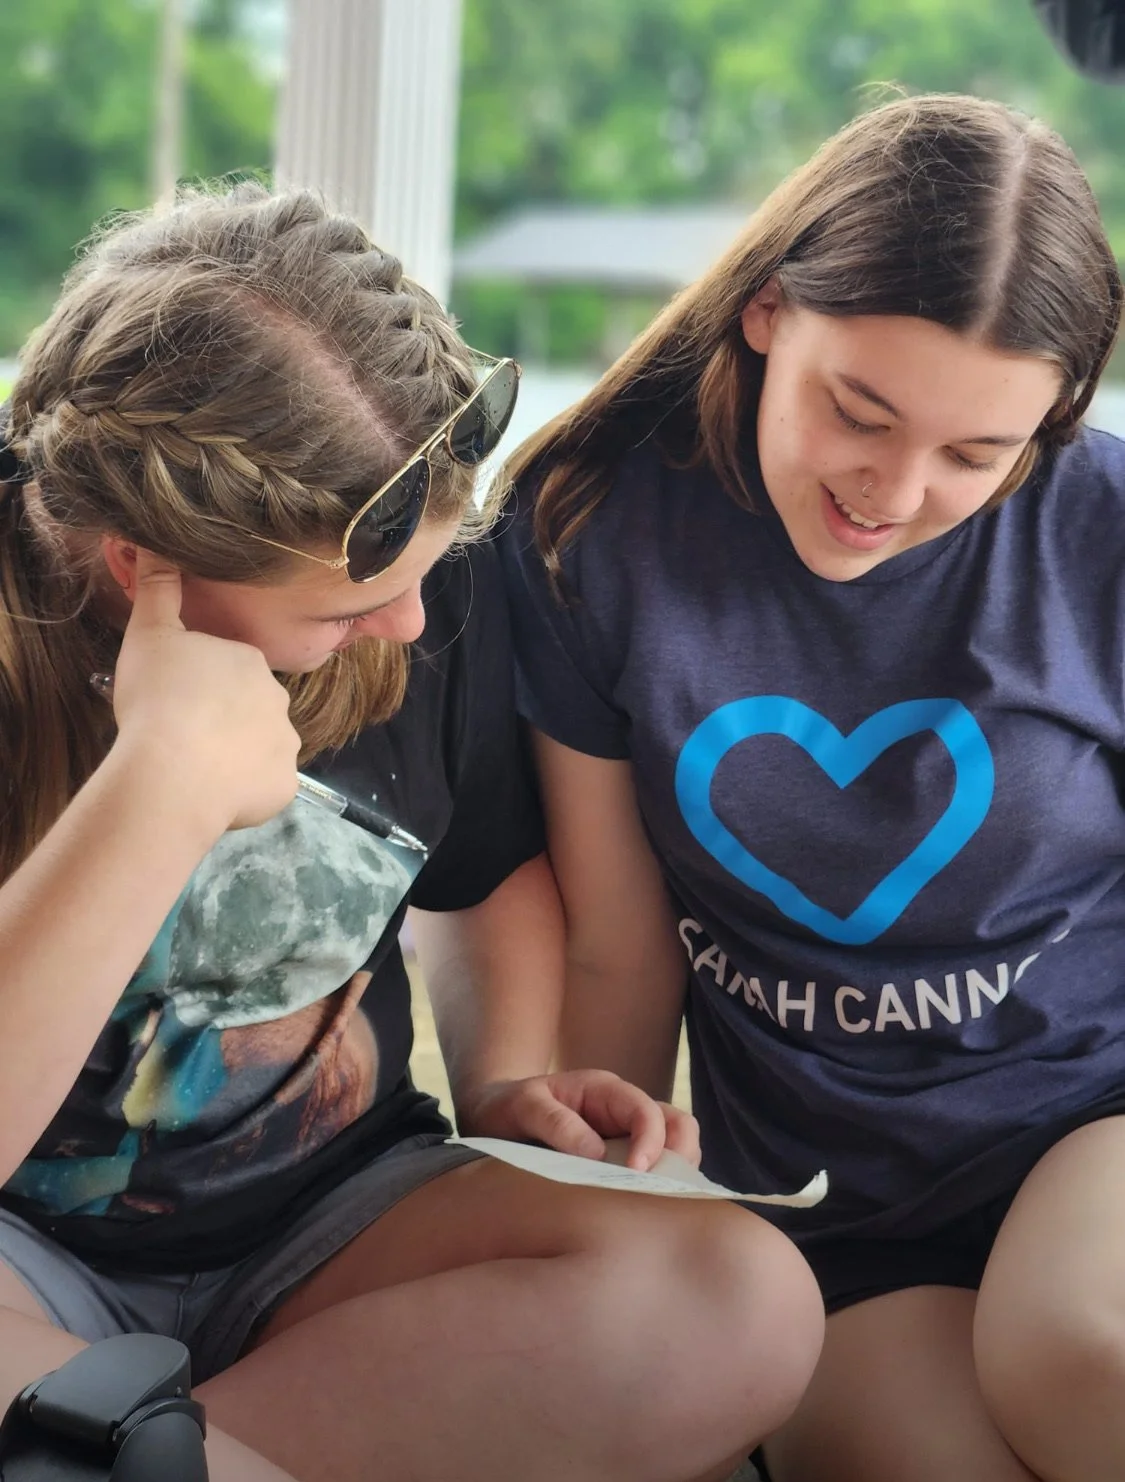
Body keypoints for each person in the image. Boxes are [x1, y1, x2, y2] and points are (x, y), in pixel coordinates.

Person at [0, 184, 825, 1482]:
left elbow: (482, 874)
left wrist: (503, 1078)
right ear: (135, 564)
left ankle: (125, 1453)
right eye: (344, 610)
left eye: (416, 585)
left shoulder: (421, 587)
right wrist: (159, 781)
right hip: (24, 1260)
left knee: (745, 1301)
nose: (401, 628)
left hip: (334, 1228)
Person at [499, 91, 1125, 1482]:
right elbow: (618, 943)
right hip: (820, 1217)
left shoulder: (1104, 540)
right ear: (769, 309)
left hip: (1095, 1134)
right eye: (862, 411)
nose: (896, 492)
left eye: (979, 454)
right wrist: (618, 1211)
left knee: (1079, 1349)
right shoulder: (585, 529)